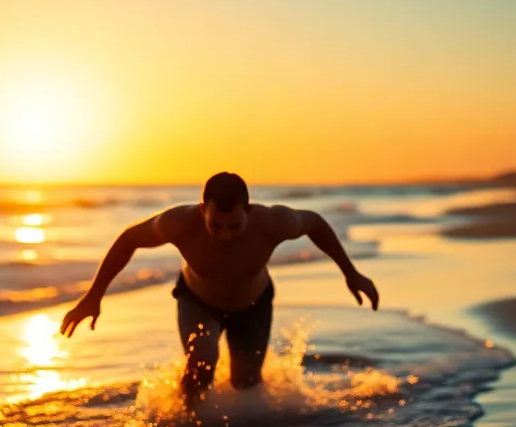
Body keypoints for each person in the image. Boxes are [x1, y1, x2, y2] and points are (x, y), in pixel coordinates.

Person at [60, 172, 379, 409]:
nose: (224, 236)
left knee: (246, 385)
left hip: (254, 304)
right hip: (197, 300)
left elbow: (315, 223)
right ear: (203, 211)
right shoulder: (178, 223)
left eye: (234, 226)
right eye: (215, 225)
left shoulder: (273, 222)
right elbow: (129, 238)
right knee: (201, 360)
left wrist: (351, 274)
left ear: (249, 212)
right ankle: (187, 424)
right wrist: (94, 295)